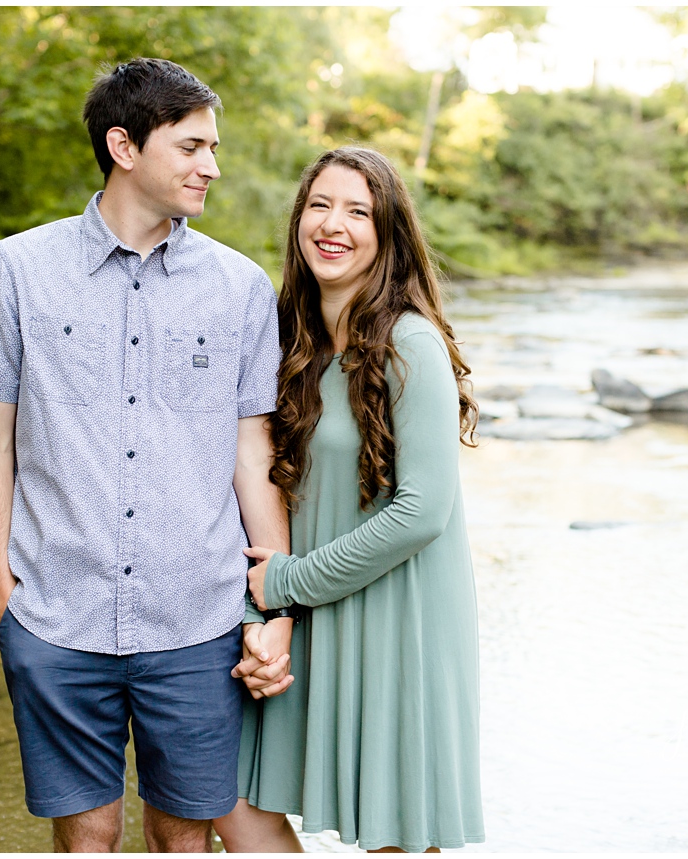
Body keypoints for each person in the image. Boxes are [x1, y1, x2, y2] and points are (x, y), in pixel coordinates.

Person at [0, 57, 291, 852]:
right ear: (124, 145)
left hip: (200, 618)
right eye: (192, 147)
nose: (212, 167)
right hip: (55, 614)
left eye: (214, 148)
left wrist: (277, 604)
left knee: (184, 838)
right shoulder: (15, 270)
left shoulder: (240, 286)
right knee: (87, 835)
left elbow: (250, 451)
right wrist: (5, 597)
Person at [216, 147, 486, 853]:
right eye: (320, 205)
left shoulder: (410, 344)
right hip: (306, 614)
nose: (333, 225)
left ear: (387, 232)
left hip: (399, 620)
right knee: (231, 799)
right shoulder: (291, 341)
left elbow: (422, 509)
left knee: (394, 834)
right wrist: (268, 608)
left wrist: (287, 584)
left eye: (358, 211)